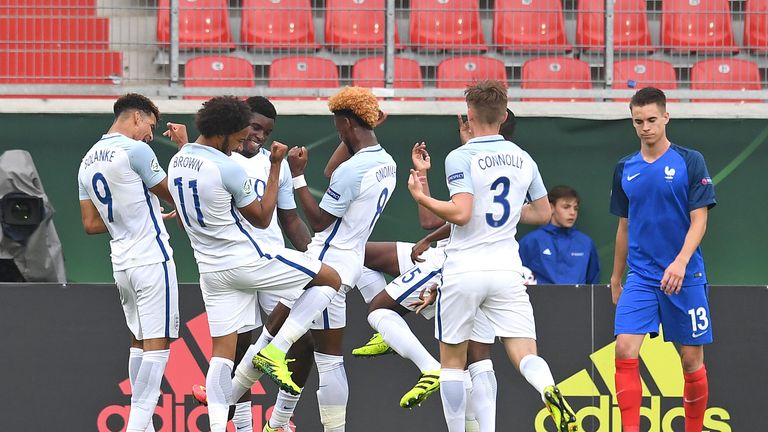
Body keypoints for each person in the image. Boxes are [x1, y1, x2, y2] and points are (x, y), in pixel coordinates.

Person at [407, 80, 578, 432]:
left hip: (465, 269)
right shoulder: (523, 158)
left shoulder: (461, 156)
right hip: (506, 269)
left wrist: (421, 196)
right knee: (524, 352)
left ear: (469, 116)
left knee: (453, 363)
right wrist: (510, 211)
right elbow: (542, 213)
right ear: (503, 117)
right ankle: (547, 388)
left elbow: (461, 213)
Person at [166, 96, 342, 432]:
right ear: (225, 131)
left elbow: (184, 217)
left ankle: (220, 426)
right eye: (239, 134)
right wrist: (277, 164)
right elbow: (262, 219)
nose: (242, 141)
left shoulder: (178, 161)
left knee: (222, 354)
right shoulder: (228, 165)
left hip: (211, 271)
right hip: (248, 261)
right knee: (331, 279)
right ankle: (273, 349)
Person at [255, 86, 397, 432]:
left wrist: (298, 174)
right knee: (329, 360)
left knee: (269, 338)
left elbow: (319, 221)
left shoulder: (356, 169)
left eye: (338, 125)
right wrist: (355, 131)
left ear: (346, 123)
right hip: (348, 264)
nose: (337, 130)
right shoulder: (387, 162)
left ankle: (227, 399)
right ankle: (282, 424)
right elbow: (334, 170)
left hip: (323, 261)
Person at [610, 87, 716, 432]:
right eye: (638, 121)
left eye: (652, 120)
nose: (645, 127)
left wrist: (681, 261)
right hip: (640, 276)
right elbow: (623, 226)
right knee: (625, 349)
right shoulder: (624, 167)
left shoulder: (690, 160)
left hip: (684, 275)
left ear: (666, 117)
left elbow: (700, 219)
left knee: (691, 360)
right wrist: (616, 276)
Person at [77, 93, 178, 432]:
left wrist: (142, 214)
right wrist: (185, 150)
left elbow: (91, 225)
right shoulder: (135, 150)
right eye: (150, 125)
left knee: (139, 341)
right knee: (158, 345)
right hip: (151, 258)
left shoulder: (87, 160)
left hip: (121, 263)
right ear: (136, 117)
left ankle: (145, 428)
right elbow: (174, 191)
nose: (151, 135)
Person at [518, 185, 600, 284]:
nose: (572, 213)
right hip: (541, 298)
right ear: (551, 208)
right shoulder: (531, 241)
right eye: (566, 207)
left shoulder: (586, 243)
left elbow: (593, 281)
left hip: (578, 299)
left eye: (575, 208)